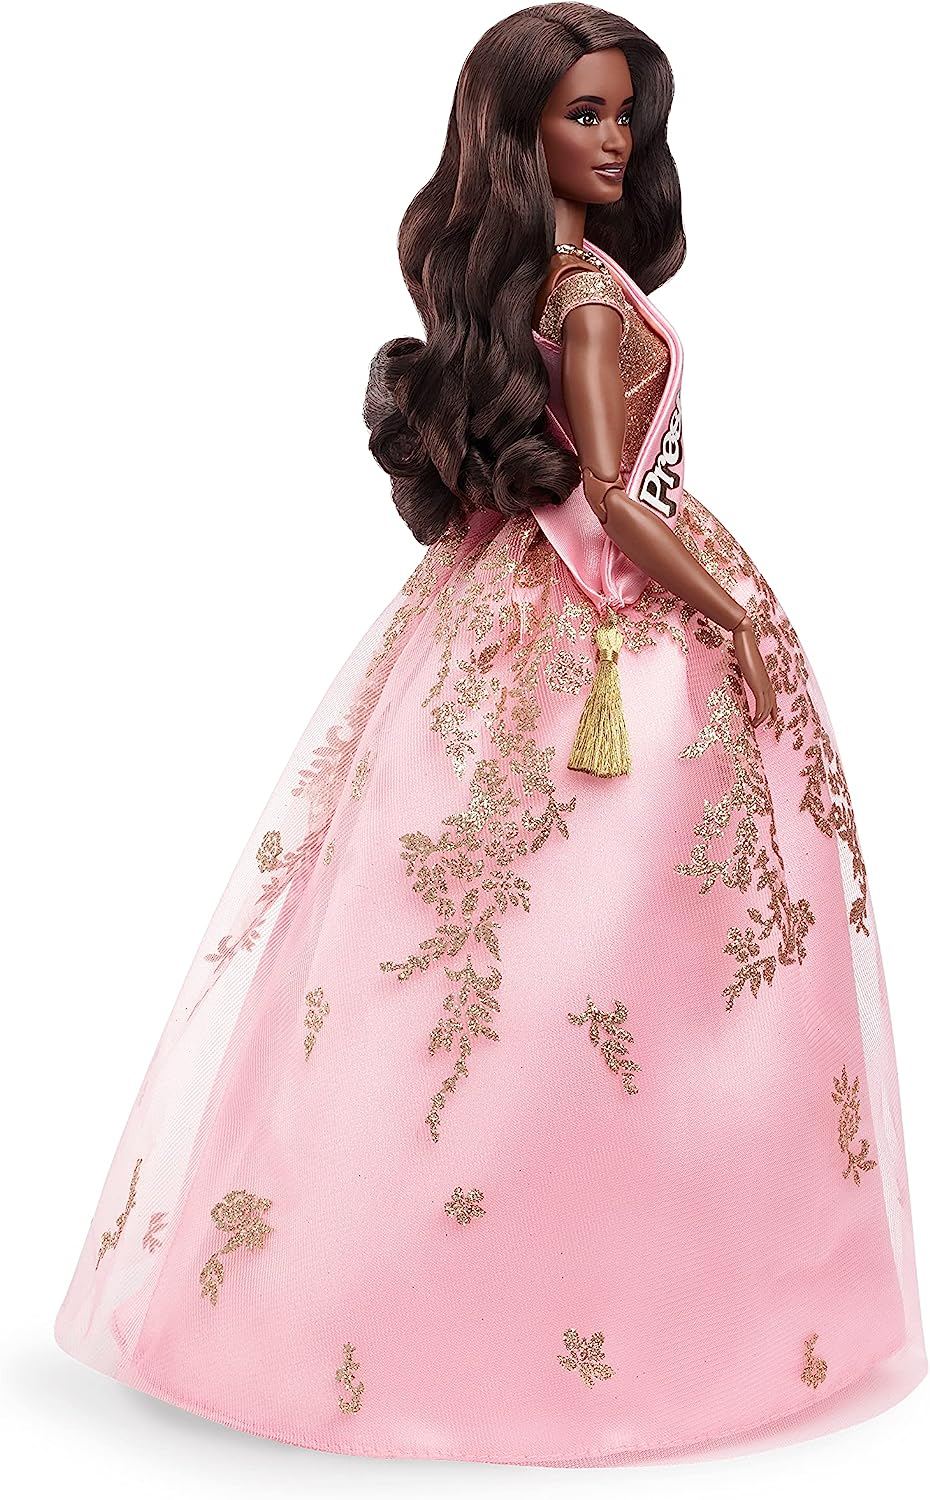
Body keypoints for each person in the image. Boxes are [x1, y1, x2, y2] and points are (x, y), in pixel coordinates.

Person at [54, 2, 926, 1467]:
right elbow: (613, 494)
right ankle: (526, 1291)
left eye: (624, 113)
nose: (614, 139)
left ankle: (620, 1268)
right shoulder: (579, 297)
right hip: (606, 631)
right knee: (568, 948)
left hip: (547, 617)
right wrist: (735, 613)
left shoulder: (573, 281)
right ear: (520, 134)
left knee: (598, 953)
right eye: (584, 114)